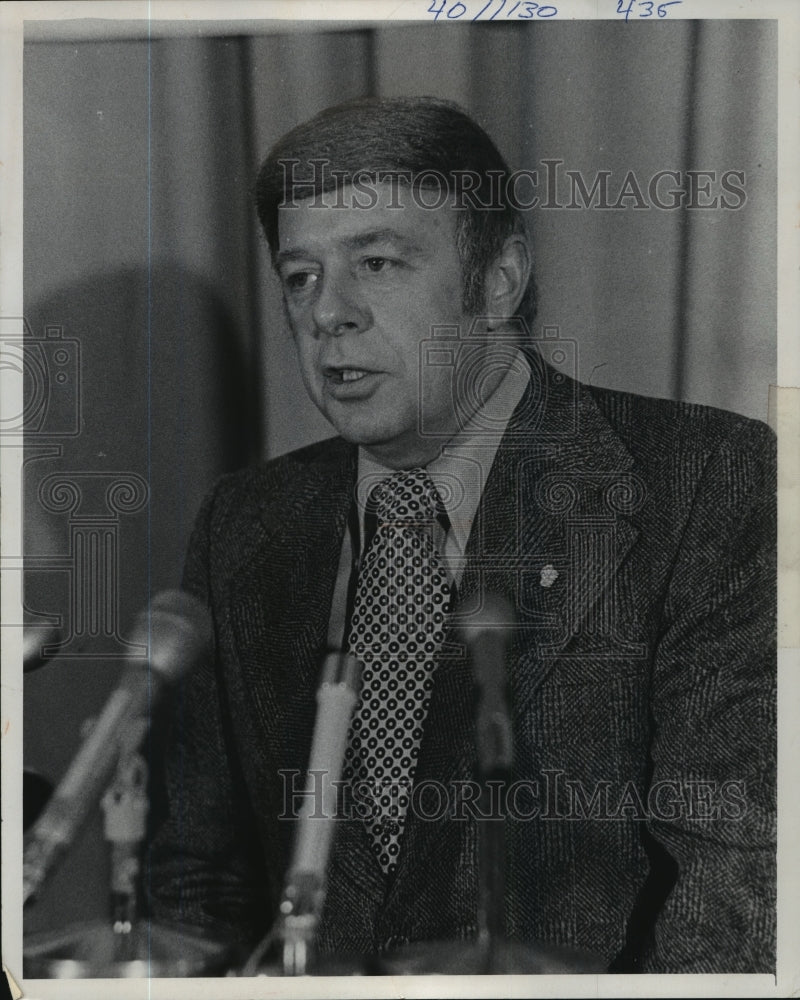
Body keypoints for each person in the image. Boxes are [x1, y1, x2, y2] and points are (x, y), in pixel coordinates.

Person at [147, 97, 776, 974]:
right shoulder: (246, 522)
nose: (330, 312)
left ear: (499, 280)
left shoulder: (703, 479)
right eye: (300, 276)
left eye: (376, 260)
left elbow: (739, 889)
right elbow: (193, 887)